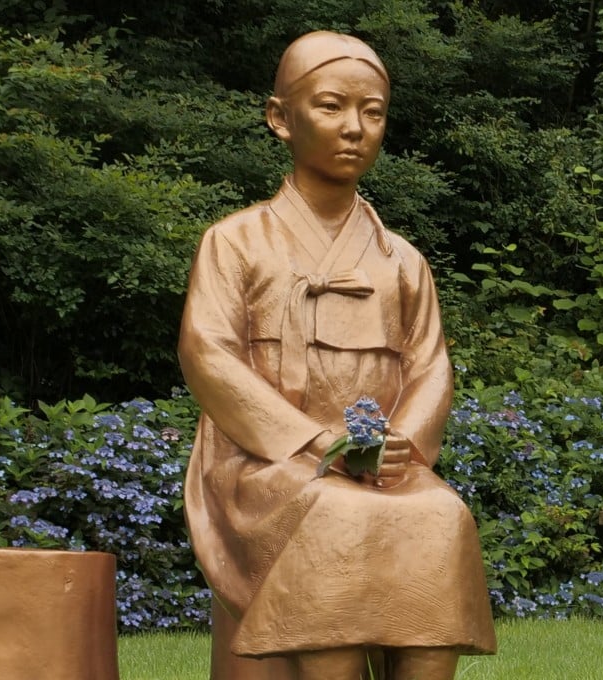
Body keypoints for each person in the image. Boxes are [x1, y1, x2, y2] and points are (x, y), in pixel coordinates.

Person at [178, 31, 497, 680]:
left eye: (373, 112)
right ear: (280, 118)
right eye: (330, 106)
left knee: (440, 513)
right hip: (266, 464)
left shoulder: (402, 261)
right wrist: (317, 443)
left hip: (379, 462)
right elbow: (207, 354)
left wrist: (396, 443)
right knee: (334, 514)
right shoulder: (234, 242)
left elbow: (430, 365)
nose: (355, 128)